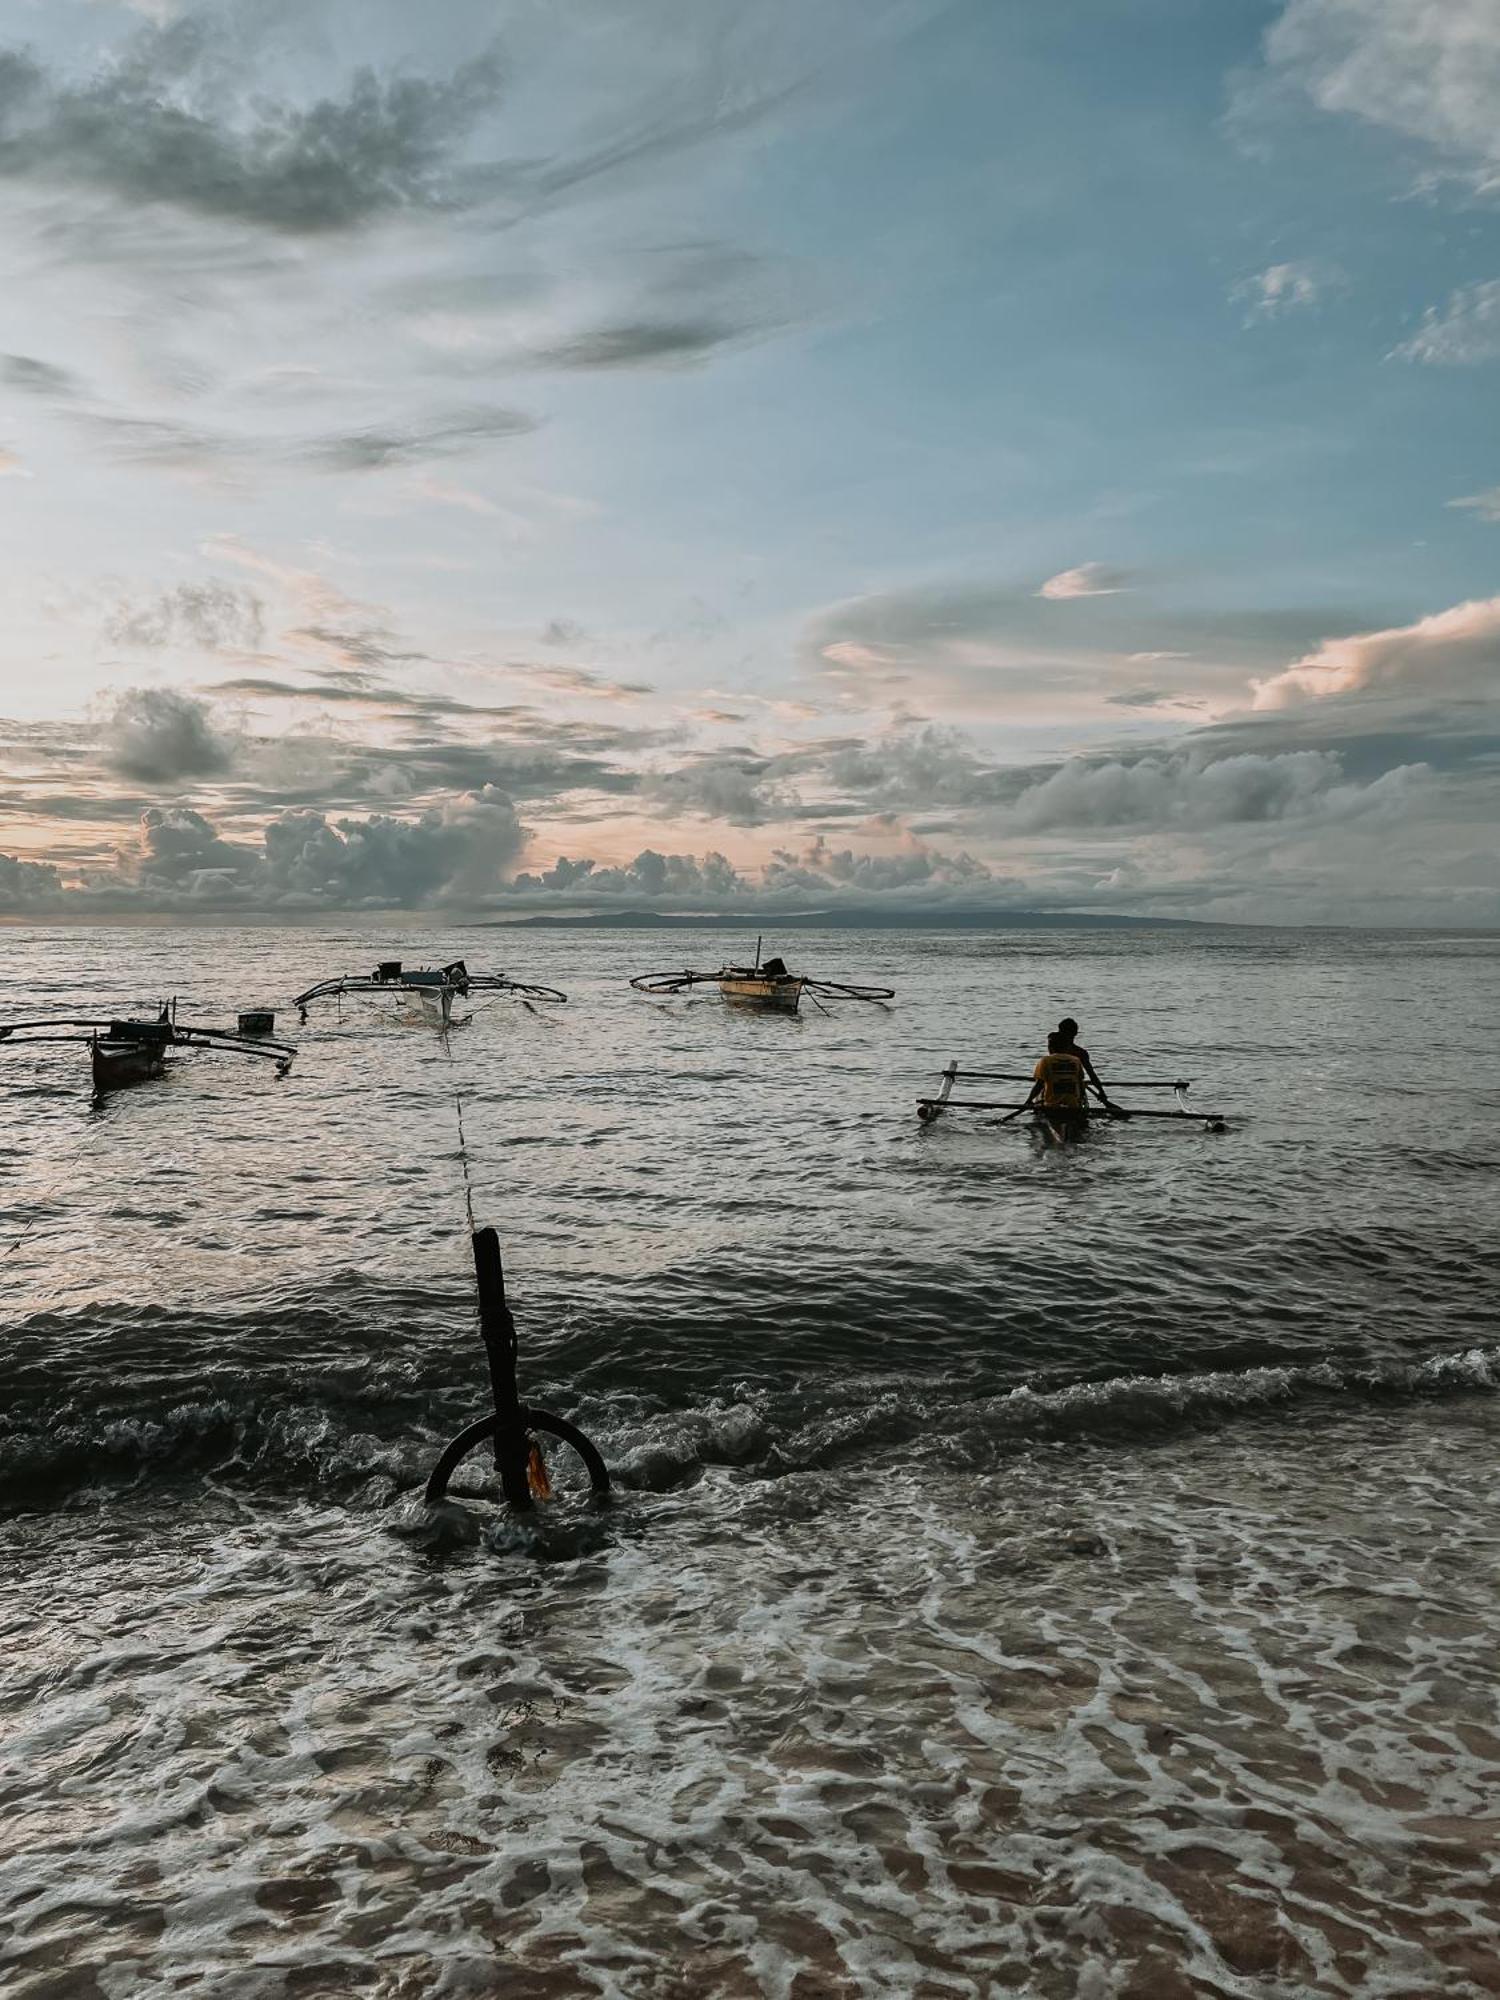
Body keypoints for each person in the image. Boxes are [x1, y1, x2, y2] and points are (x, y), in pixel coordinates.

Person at [1023, 1030, 1087, 1132]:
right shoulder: (1076, 1060)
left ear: (1050, 1047)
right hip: (1073, 1108)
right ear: (1066, 1047)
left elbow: (1039, 1085)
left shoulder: (1045, 1061)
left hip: (1052, 1108)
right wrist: (1083, 1102)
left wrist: (1028, 1101)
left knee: (1040, 1098)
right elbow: (1081, 1084)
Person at [1055, 1016, 1114, 1113]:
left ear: (1059, 1032)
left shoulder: (1053, 1048)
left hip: (1055, 1089)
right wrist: (1101, 1092)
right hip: (1075, 1089)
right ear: (1076, 1033)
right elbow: (1091, 1074)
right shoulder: (1080, 1053)